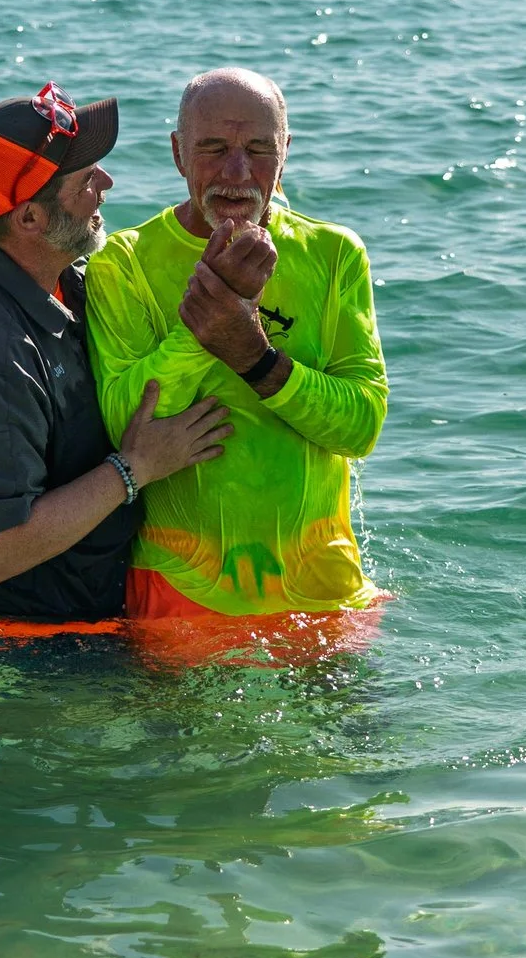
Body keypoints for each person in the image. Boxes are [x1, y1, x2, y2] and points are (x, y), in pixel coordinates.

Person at [0, 84, 231, 622]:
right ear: (29, 219)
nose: (107, 182)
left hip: (72, 613)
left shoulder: (43, 271)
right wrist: (136, 467)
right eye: (85, 179)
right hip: (6, 639)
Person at [85, 68, 388, 618]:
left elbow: (362, 426)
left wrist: (255, 357)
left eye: (258, 149)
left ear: (285, 151)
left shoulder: (333, 254)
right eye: (214, 148)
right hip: (182, 585)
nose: (236, 172)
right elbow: (125, 421)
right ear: (178, 153)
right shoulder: (124, 263)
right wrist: (209, 318)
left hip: (323, 581)